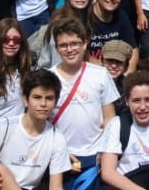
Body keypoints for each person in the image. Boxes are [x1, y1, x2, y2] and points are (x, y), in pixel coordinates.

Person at [48, 18, 119, 171]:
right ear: (57, 48)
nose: (69, 49)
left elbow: (110, 118)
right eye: (63, 45)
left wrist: (106, 151)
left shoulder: (101, 74)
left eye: (74, 43)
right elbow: (41, 122)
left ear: (85, 44)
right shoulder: (48, 78)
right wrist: (56, 151)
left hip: (96, 154)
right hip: (61, 155)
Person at [87, 0, 138, 70]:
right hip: (92, 72)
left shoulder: (122, 16)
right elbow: (82, 54)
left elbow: (133, 50)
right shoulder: (85, 17)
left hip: (117, 71)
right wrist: (105, 75)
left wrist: (127, 77)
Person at [101, 39, 132, 115]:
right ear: (102, 61)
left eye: (119, 62)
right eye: (110, 60)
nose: (114, 65)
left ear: (126, 66)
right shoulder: (91, 83)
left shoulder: (129, 87)